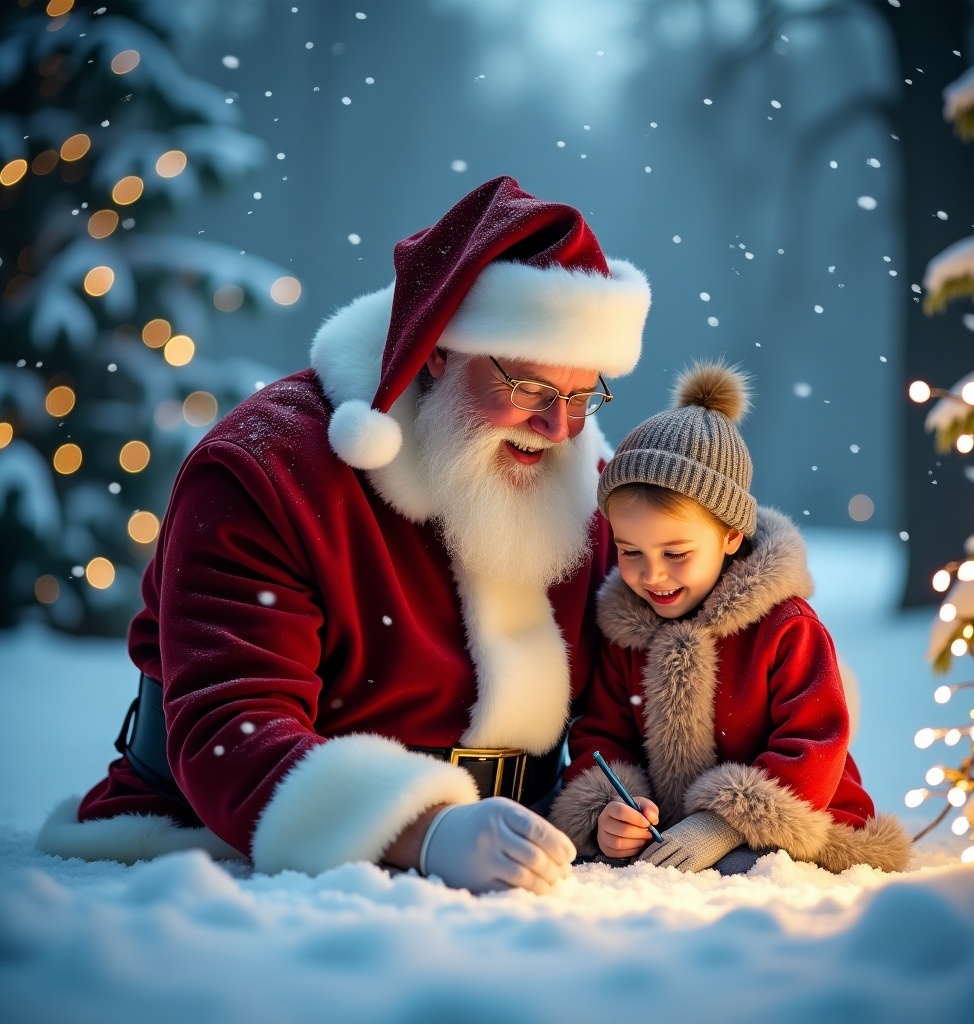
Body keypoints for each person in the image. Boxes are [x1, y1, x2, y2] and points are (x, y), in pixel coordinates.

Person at [37, 176, 652, 894]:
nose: (559, 429)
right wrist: (421, 829)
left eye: (582, 395)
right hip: (232, 868)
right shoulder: (267, 471)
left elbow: (649, 671)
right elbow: (233, 731)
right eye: (530, 388)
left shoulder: (585, 485)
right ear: (436, 351)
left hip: (526, 862)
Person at [548, 361, 911, 875]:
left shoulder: (786, 629)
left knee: (752, 873)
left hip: (806, 829)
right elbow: (602, 735)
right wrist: (611, 807)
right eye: (631, 553)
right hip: (665, 840)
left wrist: (723, 823)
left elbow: (814, 741)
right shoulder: (627, 634)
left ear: (731, 537)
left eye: (676, 553)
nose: (652, 576)